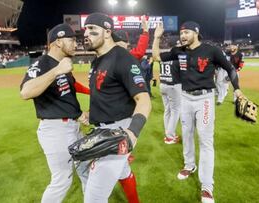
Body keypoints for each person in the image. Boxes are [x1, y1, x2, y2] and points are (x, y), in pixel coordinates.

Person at [153, 21, 245, 203]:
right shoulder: (179, 51)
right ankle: (189, 166)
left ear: (196, 33)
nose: (183, 36)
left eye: (186, 32)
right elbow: (156, 56)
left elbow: (230, 69)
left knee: (205, 141)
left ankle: (207, 186)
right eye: (181, 33)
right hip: (185, 98)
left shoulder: (211, 51)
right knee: (186, 135)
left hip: (204, 100)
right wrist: (156, 37)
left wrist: (237, 89)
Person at [83, 13, 151, 203]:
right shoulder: (98, 59)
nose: (86, 33)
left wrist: (132, 132)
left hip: (117, 132)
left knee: (93, 198)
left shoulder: (123, 58)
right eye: (85, 29)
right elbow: (105, 93)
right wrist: (92, 114)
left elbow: (144, 99)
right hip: (102, 128)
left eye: (91, 29)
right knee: (123, 173)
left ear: (107, 32)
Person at [20, 23, 90, 203]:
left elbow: (68, 92)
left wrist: (80, 111)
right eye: (72, 40)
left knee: (86, 171)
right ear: (58, 42)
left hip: (72, 127)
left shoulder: (62, 64)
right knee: (62, 181)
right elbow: (25, 92)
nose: (76, 44)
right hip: (56, 130)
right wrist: (57, 70)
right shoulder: (43, 63)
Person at [156, 39, 182, 144]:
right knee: (175, 111)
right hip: (173, 86)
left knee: (167, 110)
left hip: (163, 84)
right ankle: (170, 136)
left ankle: (168, 133)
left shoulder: (164, 57)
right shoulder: (178, 58)